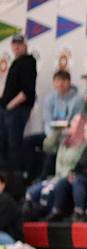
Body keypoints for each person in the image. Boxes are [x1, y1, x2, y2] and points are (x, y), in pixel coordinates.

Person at [26, 114, 86, 220]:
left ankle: (44, 216)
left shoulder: (83, 145)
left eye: (75, 121)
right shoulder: (64, 141)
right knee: (31, 192)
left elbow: (79, 164)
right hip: (55, 178)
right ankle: (31, 215)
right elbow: (47, 146)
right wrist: (56, 131)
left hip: (67, 179)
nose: (71, 123)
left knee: (45, 193)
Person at [45, 117, 87, 222]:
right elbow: (79, 165)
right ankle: (57, 211)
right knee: (63, 182)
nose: (84, 133)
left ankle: (79, 211)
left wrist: (82, 173)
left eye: (85, 130)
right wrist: (72, 172)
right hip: (83, 175)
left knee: (78, 180)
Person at [0, 34, 37, 173]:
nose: (16, 46)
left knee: (13, 145)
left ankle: (14, 182)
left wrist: (10, 105)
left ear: (25, 45)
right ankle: (3, 179)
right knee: (3, 144)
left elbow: (26, 91)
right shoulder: (16, 62)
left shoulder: (28, 61)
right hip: (6, 109)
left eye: (19, 44)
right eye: (14, 44)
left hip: (16, 111)